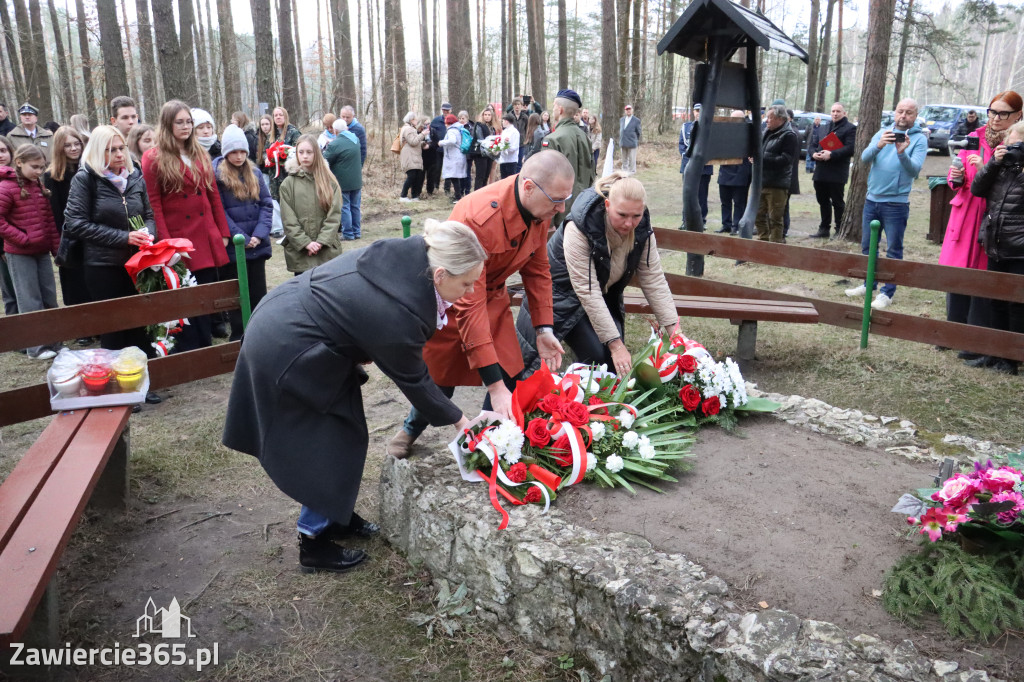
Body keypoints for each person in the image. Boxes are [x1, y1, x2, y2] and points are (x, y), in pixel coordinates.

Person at [222, 219, 483, 573]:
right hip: (288, 345)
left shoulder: (404, 259)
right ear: (439, 275)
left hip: (292, 322)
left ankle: (335, 515)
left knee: (345, 433)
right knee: (328, 441)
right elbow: (415, 380)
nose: (471, 291)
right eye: (466, 283)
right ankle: (313, 542)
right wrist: (461, 421)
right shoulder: (399, 310)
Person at [386, 150, 571, 459]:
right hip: (453, 296)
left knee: (508, 369)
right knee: (441, 378)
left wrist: (543, 328)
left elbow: (538, 270)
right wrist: (494, 387)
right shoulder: (478, 217)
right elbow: (468, 304)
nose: (562, 208)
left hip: (492, 296)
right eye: (557, 200)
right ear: (528, 187)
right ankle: (410, 428)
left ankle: (491, 438)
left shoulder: (541, 207)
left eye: (565, 199)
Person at [516, 172, 679, 375]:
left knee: (609, 364)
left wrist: (676, 333)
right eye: (622, 215)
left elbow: (653, 278)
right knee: (596, 356)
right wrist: (615, 345)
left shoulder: (642, 228)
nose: (629, 223)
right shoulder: (580, 226)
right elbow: (588, 291)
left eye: (636, 216)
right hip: (558, 296)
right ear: (607, 205)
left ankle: (589, 393)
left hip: (600, 295)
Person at [63, 126, 160, 389]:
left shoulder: (135, 175)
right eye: (111, 150)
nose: (119, 154)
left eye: (121, 148)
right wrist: (123, 237)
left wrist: (148, 234)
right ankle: (116, 387)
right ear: (98, 151)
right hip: (103, 266)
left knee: (140, 325)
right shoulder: (86, 179)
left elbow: (149, 214)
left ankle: (142, 384)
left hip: (137, 263)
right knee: (115, 328)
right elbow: (75, 223)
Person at [142, 100, 231, 351]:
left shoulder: (200, 153)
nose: (186, 127)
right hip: (178, 238)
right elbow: (154, 204)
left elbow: (213, 195)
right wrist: (167, 243)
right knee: (184, 296)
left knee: (204, 295)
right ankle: (189, 349)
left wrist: (222, 231)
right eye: (179, 122)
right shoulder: (153, 158)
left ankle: (205, 345)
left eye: (189, 122)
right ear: (167, 125)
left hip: (205, 234)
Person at [942, 91, 1022, 357]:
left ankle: (976, 340)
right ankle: (953, 331)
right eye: (992, 112)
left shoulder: (1017, 144)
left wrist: (985, 165)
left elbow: (1008, 185)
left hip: (993, 218)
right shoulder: (974, 137)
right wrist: (955, 176)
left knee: (983, 279)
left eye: (1003, 113)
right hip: (965, 215)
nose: (996, 118)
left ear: (1018, 116)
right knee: (958, 274)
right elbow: (957, 175)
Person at [844, 98, 927, 309]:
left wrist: (902, 153)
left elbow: (914, 170)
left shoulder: (919, 139)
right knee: (867, 246)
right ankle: (868, 285)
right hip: (872, 199)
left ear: (915, 116)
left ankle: (887, 293)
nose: (903, 116)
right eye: (900, 111)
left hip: (896, 204)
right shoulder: (882, 132)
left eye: (909, 112)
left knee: (893, 250)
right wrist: (879, 145)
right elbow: (864, 157)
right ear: (895, 112)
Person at [968, 119, 1024, 375]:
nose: (1013, 149)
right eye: (1010, 144)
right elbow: (977, 189)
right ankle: (993, 353)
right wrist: (994, 162)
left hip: (1019, 248)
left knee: (1016, 304)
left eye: (1019, 145)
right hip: (995, 242)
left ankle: (1011, 359)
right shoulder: (1001, 166)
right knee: (995, 300)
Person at [214, 124, 273, 341]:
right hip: (236, 247)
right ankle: (240, 335)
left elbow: (266, 204)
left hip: (257, 244)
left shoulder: (255, 173)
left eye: (242, 151)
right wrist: (241, 239)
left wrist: (259, 234)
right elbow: (220, 211)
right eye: (234, 152)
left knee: (258, 292)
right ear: (226, 153)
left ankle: (260, 334)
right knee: (237, 294)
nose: (239, 156)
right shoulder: (218, 177)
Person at [0, 144, 60, 358]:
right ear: (19, 163)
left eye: (42, 167)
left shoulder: (38, 186)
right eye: (34, 167)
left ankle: (55, 342)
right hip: (19, 254)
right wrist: (22, 239)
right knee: (29, 300)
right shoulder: (6, 188)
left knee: (49, 297)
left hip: (41, 252)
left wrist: (56, 249)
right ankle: (36, 347)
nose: (39, 171)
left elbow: (49, 220)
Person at [279, 134, 343, 275]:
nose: (305, 156)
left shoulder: (330, 182)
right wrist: (305, 242)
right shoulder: (288, 184)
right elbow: (288, 220)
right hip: (301, 253)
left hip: (327, 252)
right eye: (301, 152)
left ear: (317, 154)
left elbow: (334, 216)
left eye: (309, 152)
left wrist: (321, 241)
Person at [44, 126, 90, 307]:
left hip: (91, 233)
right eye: (67, 145)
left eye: (76, 143)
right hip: (69, 237)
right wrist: (59, 243)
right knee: (74, 285)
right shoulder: (52, 175)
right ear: (59, 148)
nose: (73, 148)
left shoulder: (89, 169)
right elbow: (55, 212)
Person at [541, 88, 595, 221]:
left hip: (560, 212)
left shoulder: (552, 139)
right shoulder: (585, 137)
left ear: (560, 109)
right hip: (583, 208)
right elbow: (591, 173)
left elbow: (547, 181)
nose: (553, 109)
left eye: (554, 106)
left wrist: (549, 221)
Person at [809, 103, 857, 239]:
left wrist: (832, 154)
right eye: (833, 111)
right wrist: (813, 154)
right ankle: (824, 228)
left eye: (838, 111)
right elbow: (813, 144)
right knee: (822, 200)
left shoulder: (850, 128)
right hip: (821, 170)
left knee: (837, 201)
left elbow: (850, 148)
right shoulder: (824, 127)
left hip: (837, 171)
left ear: (844, 113)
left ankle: (839, 229)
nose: (835, 114)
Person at [754, 104, 798, 243]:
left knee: (775, 218)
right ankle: (763, 241)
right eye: (767, 117)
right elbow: (760, 152)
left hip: (777, 184)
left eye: (770, 117)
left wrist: (762, 159)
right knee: (758, 215)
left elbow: (786, 160)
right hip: (762, 181)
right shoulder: (766, 132)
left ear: (780, 119)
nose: (767, 120)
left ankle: (775, 245)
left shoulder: (789, 135)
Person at [324, 119, 363, 240]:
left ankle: (348, 233)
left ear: (335, 131)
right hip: (356, 180)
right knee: (355, 206)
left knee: (344, 207)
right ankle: (357, 232)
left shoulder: (334, 144)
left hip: (342, 182)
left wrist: (327, 146)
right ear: (346, 128)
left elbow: (325, 160)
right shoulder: (355, 139)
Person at [716, 110, 751, 235]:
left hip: (741, 172)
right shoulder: (725, 132)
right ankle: (726, 224)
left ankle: (736, 226)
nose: (733, 121)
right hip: (725, 171)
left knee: (739, 202)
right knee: (725, 201)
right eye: (732, 119)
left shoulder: (748, 132)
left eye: (736, 119)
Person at [679, 103, 713, 225]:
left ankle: (701, 221)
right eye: (697, 110)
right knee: (687, 195)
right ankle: (685, 220)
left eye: (701, 110)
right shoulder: (686, 127)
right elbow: (682, 146)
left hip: (705, 167)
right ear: (693, 112)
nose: (699, 113)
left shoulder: (711, 127)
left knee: (702, 195)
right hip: (688, 167)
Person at [0, 136, 19, 317]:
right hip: (4, 247)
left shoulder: (20, 177)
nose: (0, 155)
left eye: (3, 150)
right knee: (11, 293)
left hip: (23, 243)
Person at [439, 114, 468, 203]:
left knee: (454, 177)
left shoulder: (452, 130)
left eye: (446, 122)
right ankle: (458, 195)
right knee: (455, 177)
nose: (445, 124)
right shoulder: (459, 129)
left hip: (453, 157)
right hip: (458, 156)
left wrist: (441, 142)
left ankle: (458, 197)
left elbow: (452, 141)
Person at [399, 112, 426, 201]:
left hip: (413, 155)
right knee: (411, 176)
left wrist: (422, 144)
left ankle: (414, 196)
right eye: (415, 119)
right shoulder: (408, 129)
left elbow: (414, 142)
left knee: (416, 176)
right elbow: (413, 142)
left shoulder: (410, 128)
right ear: (411, 120)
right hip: (410, 156)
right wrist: (423, 134)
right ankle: (403, 195)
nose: (417, 121)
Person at [427, 102, 452, 195]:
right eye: (444, 110)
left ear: (451, 110)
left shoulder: (454, 120)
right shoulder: (436, 121)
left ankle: (447, 189)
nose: (445, 112)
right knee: (437, 169)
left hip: (449, 150)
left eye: (447, 110)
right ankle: (435, 187)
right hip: (437, 150)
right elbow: (430, 133)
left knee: (449, 169)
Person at [470, 108, 497, 191]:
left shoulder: (492, 128)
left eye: (489, 115)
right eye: (485, 115)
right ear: (482, 115)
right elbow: (480, 139)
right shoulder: (479, 125)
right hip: (480, 153)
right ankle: (477, 194)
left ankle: (483, 194)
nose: (487, 116)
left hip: (489, 154)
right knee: (480, 176)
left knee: (486, 176)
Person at [619, 104, 642, 175]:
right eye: (627, 109)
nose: (628, 111)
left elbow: (639, 132)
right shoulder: (622, 120)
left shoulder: (636, 120)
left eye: (629, 109)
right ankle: (624, 172)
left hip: (632, 143)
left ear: (632, 110)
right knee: (624, 159)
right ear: (625, 111)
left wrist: (634, 140)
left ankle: (632, 172)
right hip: (623, 142)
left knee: (632, 159)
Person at [498, 112, 521, 179]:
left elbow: (515, 147)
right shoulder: (504, 131)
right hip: (503, 160)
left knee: (510, 179)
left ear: (506, 121)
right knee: (503, 179)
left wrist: (506, 148)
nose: (502, 123)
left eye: (503, 121)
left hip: (511, 160)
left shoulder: (515, 132)